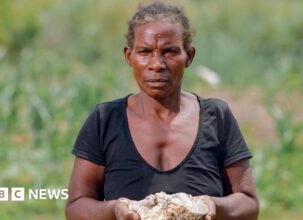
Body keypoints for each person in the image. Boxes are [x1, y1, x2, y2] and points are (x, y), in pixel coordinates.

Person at [66, 2, 259, 220]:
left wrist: (211, 205)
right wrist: (114, 210)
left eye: (170, 52)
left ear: (189, 56)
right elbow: (76, 206)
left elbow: (248, 203)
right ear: (129, 57)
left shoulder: (216, 117)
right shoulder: (105, 120)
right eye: (145, 52)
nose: (157, 64)